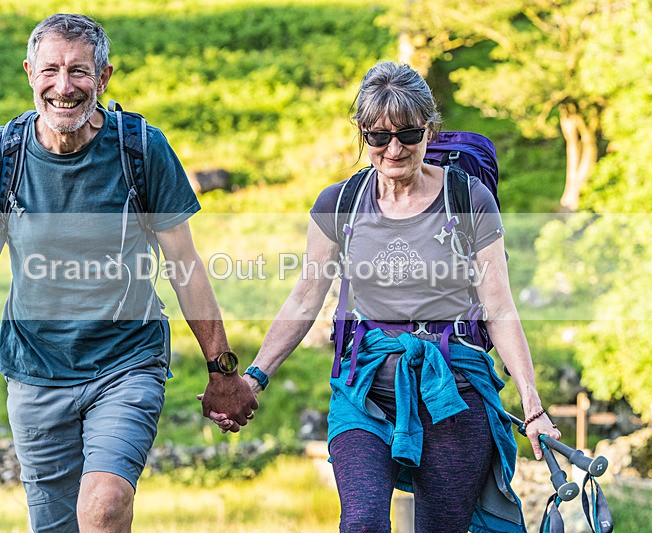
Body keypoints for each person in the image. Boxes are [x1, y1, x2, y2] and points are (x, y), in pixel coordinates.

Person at [0, 13, 257, 533]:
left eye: (79, 72)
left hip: (126, 363)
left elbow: (185, 267)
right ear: (30, 73)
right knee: (57, 527)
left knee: (101, 510)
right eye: (50, 70)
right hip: (34, 371)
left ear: (104, 78)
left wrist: (223, 369)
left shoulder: (141, 149)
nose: (63, 87)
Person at [203, 61, 561, 532]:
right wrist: (253, 378)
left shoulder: (468, 199)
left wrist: (533, 407)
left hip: (453, 392)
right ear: (362, 134)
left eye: (408, 134)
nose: (394, 148)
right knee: (363, 522)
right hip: (364, 390)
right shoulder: (341, 203)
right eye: (378, 136)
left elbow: (499, 306)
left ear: (429, 130)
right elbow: (305, 298)